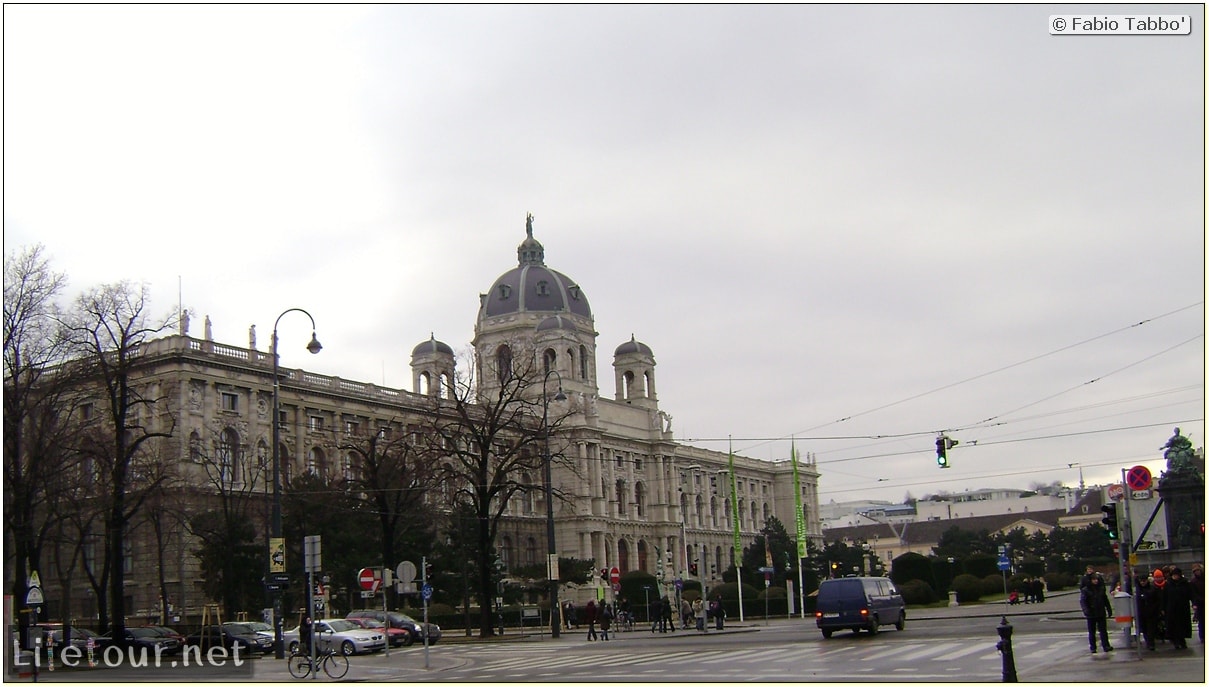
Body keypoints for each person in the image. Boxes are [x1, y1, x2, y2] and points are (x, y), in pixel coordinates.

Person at [1079, 573, 1113, 654]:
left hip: (1100, 611)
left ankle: (1106, 646)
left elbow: (1105, 600)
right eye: (1094, 579)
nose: (1095, 581)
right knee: (1092, 631)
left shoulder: (1100, 589)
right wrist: (1086, 611)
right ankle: (1093, 647)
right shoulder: (1086, 590)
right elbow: (1083, 601)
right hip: (1091, 613)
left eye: (1096, 579)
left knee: (1103, 630)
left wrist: (1109, 609)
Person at [1163, 567, 1193, 650]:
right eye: (1174, 575)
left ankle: (1182, 640)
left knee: (1182, 625)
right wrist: (1163, 608)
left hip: (1182, 608)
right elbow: (1165, 597)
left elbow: (1190, 594)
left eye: (1177, 575)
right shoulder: (1168, 584)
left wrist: (1193, 603)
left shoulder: (1185, 583)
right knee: (1173, 625)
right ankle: (1176, 641)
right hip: (1171, 608)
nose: (1175, 577)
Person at [1136, 574, 1162, 651]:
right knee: (1144, 629)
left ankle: (1151, 643)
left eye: (1144, 581)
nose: (1142, 583)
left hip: (1151, 612)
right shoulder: (1138, 590)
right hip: (1141, 612)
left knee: (1151, 629)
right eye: (1141, 581)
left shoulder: (1153, 589)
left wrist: (1156, 609)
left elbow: (1157, 600)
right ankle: (1148, 642)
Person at [1190, 564, 1204, 644]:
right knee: (1201, 621)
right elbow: (1193, 593)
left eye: (1198, 570)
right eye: (1195, 571)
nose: (1197, 572)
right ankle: (1202, 636)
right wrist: (1195, 603)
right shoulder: (1193, 581)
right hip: (1200, 603)